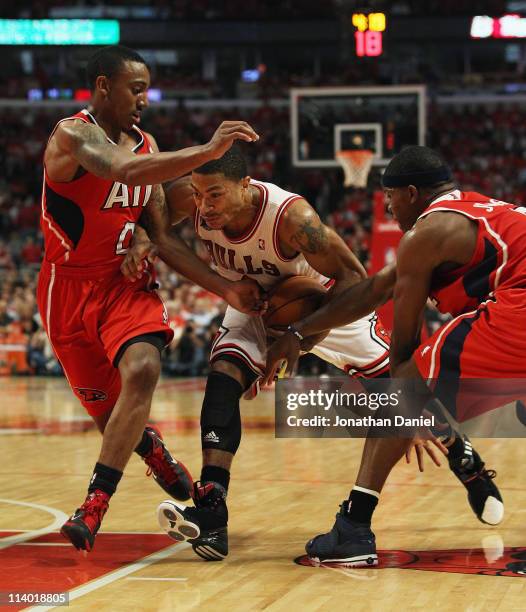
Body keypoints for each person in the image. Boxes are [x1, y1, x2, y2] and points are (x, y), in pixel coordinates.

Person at [123, 146, 498, 562]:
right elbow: (155, 220)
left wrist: (302, 338)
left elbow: (355, 278)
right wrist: (144, 239)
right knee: (223, 376)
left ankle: (465, 460)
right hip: (254, 303)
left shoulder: (291, 219)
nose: (204, 206)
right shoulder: (190, 197)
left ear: (245, 187)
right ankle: (212, 514)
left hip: (324, 307)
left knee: (403, 395)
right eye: (198, 195)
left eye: (215, 195)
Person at [38, 45, 263, 552]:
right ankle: (152, 450)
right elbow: (122, 170)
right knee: (109, 416)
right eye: (135, 88)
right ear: (102, 87)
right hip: (66, 291)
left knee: (142, 370)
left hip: (124, 287)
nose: (145, 98)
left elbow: (161, 236)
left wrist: (226, 287)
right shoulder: (71, 134)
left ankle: (94, 506)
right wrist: (207, 150)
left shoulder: (148, 144)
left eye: (146, 88)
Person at [265, 145, 525, 565]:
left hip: (520, 306)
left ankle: (354, 527)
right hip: (515, 300)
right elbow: (375, 289)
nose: (386, 205)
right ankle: (465, 464)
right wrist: (299, 331)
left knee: (402, 384)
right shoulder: (467, 213)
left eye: (389, 196)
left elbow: (402, 350)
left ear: (410, 192)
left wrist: (405, 411)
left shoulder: (425, 233)